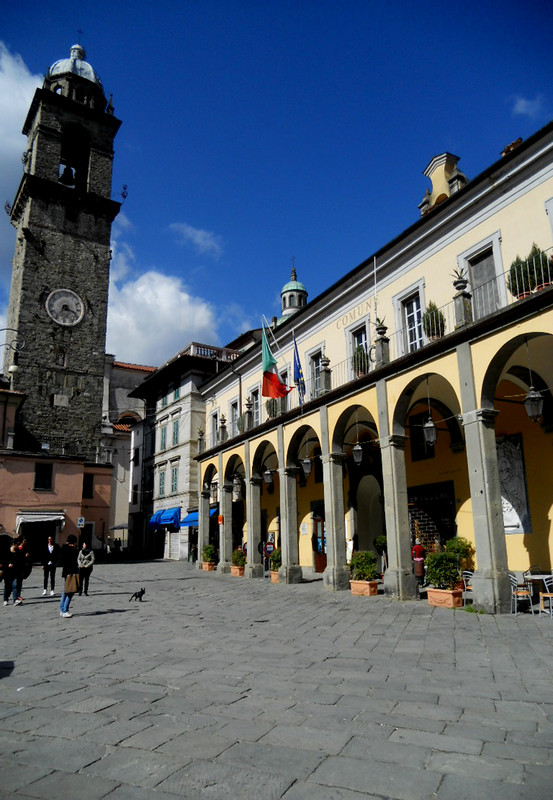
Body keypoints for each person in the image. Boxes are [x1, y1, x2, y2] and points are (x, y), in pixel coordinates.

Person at [59, 534, 79, 618]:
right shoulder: (72, 550)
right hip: (71, 573)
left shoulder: (63, 548)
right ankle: (65, 610)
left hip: (65, 573)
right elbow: (74, 563)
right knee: (70, 592)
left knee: (65, 591)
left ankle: (61, 609)